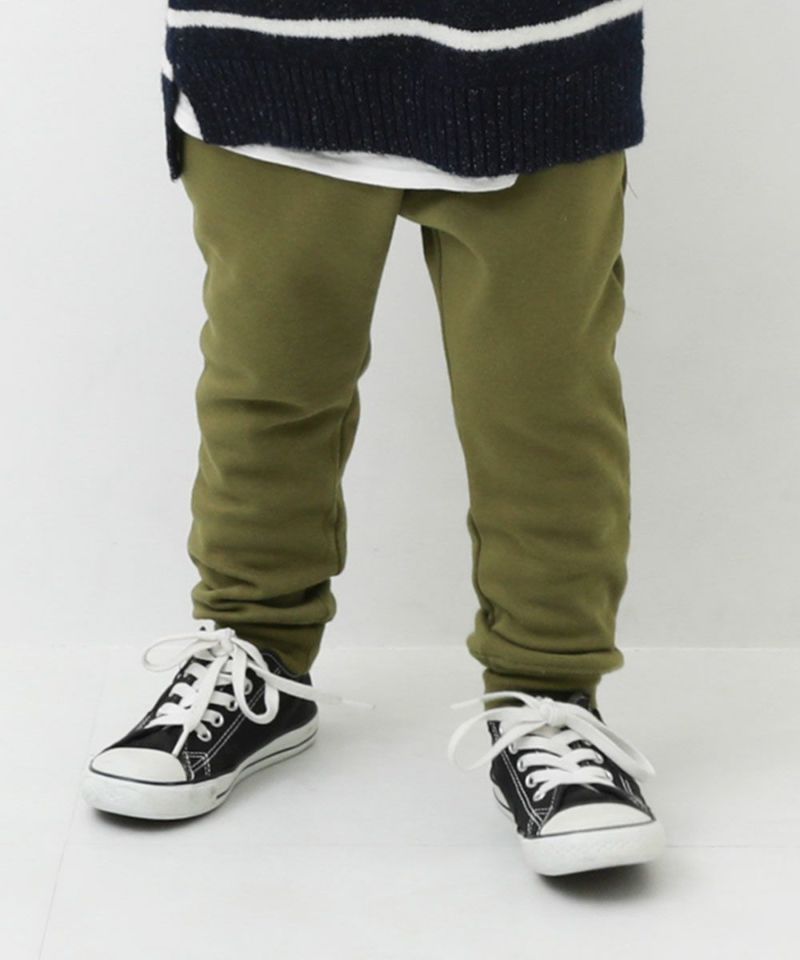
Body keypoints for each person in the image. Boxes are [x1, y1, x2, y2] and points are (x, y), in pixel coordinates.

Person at [82, 1, 666, 877]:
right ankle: (258, 659)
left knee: (543, 401)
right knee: (267, 378)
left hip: (533, 47)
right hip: (269, 40)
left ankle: (549, 698)